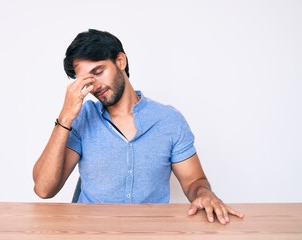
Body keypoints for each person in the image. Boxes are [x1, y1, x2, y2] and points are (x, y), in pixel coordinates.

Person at [33, 29, 244, 225]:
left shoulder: (168, 120)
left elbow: (194, 180)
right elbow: (43, 189)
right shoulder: (82, 118)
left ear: (120, 61)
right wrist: (66, 116)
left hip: (152, 231)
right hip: (92, 232)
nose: (94, 86)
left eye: (98, 71)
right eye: (85, 80)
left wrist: (203, 193)